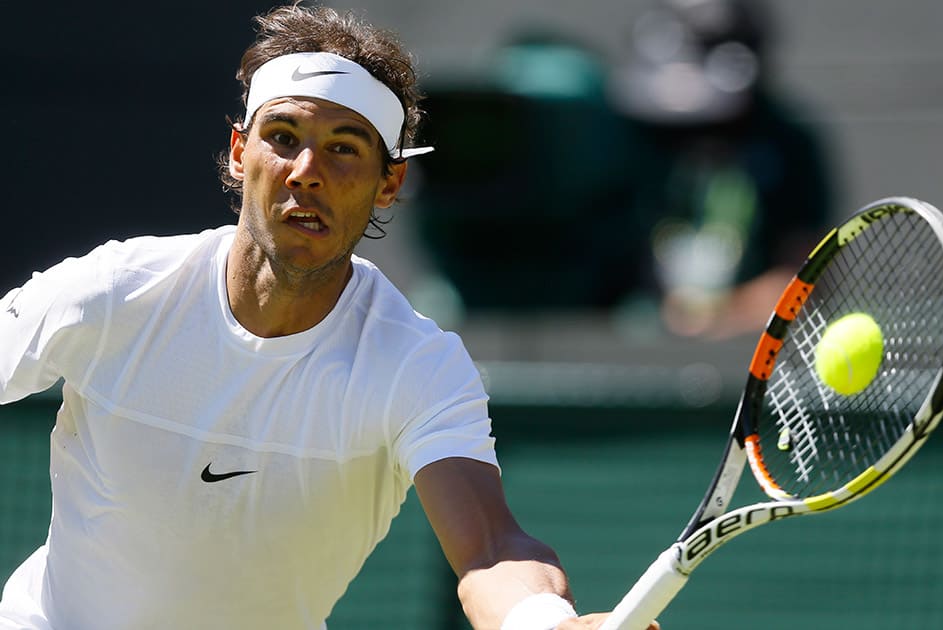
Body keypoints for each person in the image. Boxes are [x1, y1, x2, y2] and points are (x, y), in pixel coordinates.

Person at [0, 3, 656, 630]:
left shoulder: (415, 367)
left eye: (344, 148)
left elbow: (490, 548)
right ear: (239, 151)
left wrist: (544, 621)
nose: (306, 172)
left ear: (389, 183)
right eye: (283, 137)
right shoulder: (114, 293)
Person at [611, 0, 835, 338]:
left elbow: (808, 277)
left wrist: (722, 313)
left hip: (749, 359)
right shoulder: (636, 140)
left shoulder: (789, 145)